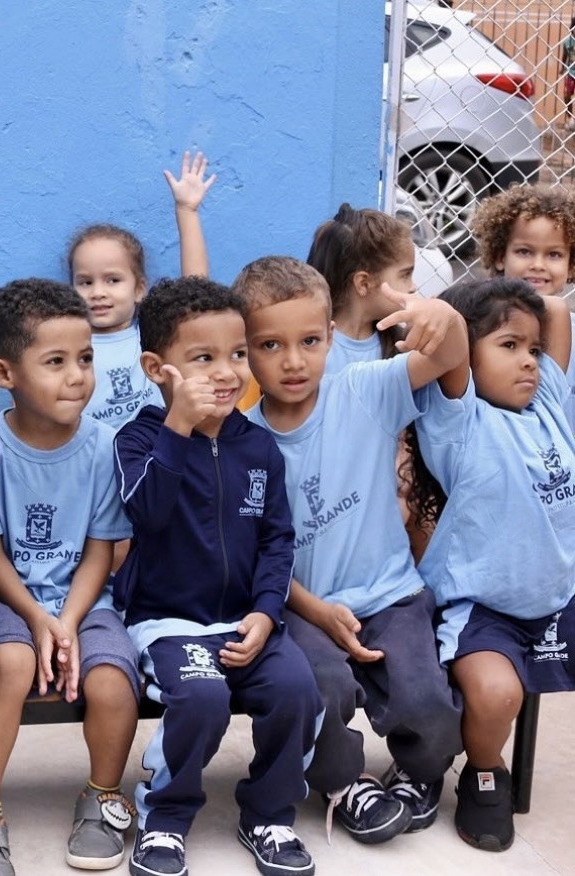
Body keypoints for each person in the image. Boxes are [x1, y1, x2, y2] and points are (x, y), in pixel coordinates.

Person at [235, 256, 466, 846]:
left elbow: (446, 355)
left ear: (331, 337)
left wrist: (441, 316)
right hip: (301, 608)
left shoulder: (364, 391)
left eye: (310, 341)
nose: (293, 361)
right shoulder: (240, 442)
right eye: (270, 344)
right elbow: (250, 554)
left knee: (428, 702)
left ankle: (418, 772)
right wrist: (315, 611)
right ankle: (344, 782)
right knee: (318, 690)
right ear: (245, 349)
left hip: (391, 593)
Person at [115, 277, 320, 876]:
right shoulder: (141, 438)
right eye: (202, 359)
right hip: (168, 623)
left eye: (235, 354)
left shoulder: (258, 447)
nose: (226, 372)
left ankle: (270, 816)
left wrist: (265, 613)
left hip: (247, 621)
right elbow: (146, 512)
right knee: (201, 699)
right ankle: (165, 820)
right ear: (158, 368)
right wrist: (178, 427)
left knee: (296, 691)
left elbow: (277, 540)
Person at [0, 279, 137, 875]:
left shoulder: (106, 446)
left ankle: (103, 797)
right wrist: (37, 620)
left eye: (85, 359)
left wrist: (68, 622)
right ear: (5, 374)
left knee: (111, 681)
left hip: (83, 598)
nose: (78, 376)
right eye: (55, 362)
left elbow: (100, 551)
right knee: (12, 663)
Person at [410, 277, 575, 852]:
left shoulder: (550, 403)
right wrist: (441, 313)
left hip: (557, 598)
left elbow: (553, 308)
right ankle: (485, 773)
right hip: (484, 607)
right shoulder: (458, 421)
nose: (529, 361)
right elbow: (452, 338)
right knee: (498, 694)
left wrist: (521, 301)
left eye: (532, 349)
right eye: (508, 346)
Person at [65, 151, 215, 430]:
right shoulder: (70, 348)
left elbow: (197, 294)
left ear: (139, 289)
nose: (98, 292)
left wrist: (187, 211)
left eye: (112, 280)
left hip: (158, 457)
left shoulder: (150, 336)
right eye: (85, 282)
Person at [470, 183, 575, 430]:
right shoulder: (479, 322)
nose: (538, 265)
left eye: (554, 255)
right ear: (499, 256)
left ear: (571, 265)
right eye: (524, 251)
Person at [306, 204, 418, 372]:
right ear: (363, 284)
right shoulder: (310, 350)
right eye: (405, 275)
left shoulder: (403, 345)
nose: (413, 287)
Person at [561, 17, 575, 130]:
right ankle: (570, 118)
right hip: (570, 72)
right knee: (566, 95)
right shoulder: (567, 42)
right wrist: (562, 68)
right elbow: (564, 56)